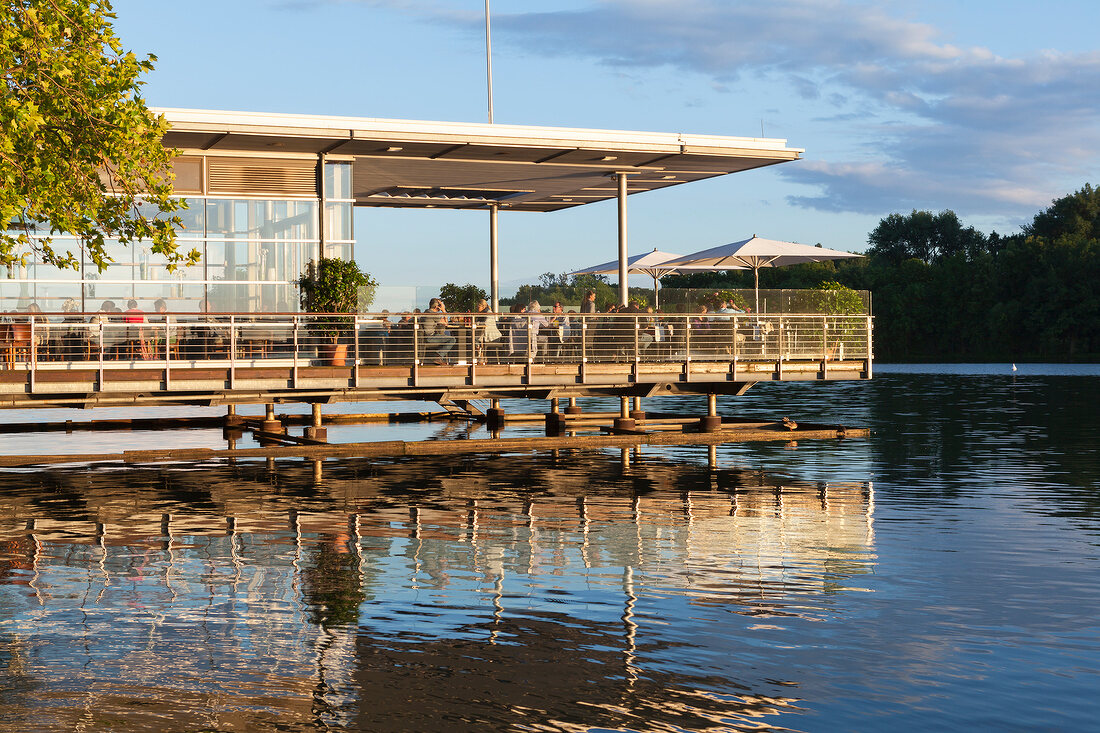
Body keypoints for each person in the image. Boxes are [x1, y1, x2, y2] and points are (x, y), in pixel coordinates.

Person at [422, 297, 456, 364]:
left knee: (445, 336)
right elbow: (446, 323)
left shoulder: (426, 312)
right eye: (439, 305)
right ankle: (438, 356)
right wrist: (443, 310)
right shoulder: (433, 314)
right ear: (436, 306)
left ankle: (440, 357)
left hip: (427, 336)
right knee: (452, 339)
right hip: (430, 337)